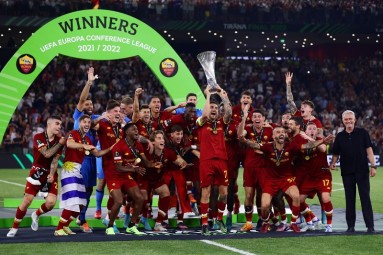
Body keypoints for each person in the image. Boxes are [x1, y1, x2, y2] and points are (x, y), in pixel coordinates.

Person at [7, 116, 66, 237]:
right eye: (57, 124)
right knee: (27, 200)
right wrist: (59, 144)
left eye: (60, 124)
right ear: (49, 124)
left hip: (50, 173)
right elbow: (47, 153)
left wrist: (51, 173)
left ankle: (36, 214)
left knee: (50, 203)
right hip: (37, 172)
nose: (60, 126)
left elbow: (55, 160)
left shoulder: (59, 140)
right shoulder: (38, 137)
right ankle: (14, 228)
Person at [54, 115, 113, 236]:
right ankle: (58, 228)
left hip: (78, 171)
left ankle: (65, 225)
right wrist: (83, 146)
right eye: (84, 122)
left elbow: (97, 153)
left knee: (81, 203)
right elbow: (69, 144)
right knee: (73, 201)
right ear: (79, 123)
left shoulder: (88, 139)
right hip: (69, 169)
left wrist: (110, 149)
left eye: (88, 122)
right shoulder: (73, 133)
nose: (87, 124)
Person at [330, 110, 377, 233]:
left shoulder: (363, 133)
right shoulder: (340, 136)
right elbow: (335, 153)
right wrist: (333, 163)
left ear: (355, 119)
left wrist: (373, 166)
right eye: (346, 119)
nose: (348, 121)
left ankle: (370, 226)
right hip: (347, 172)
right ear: (343, 121)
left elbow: (369, 150)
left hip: (362, 171)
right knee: (349, 199)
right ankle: (350, 226)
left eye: (350, 119)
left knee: (365, 198)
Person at [197, 85, 232, 235]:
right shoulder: (201, 122)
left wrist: (223, 95)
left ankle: (219, 219)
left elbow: (229, 113)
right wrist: (208, 96)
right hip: (206, 161)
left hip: (222, 161)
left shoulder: (221, 123)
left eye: (215, 108)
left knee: (223, 193)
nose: (213, 109)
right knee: (206, 192)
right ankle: (204, 222)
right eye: (211, 107)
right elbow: (204, 115)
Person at [72, 67, 100, 232]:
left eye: (91, 104)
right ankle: (77, 217)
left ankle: (80, 217)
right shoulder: (78, 117)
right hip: (80, 158)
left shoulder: (96, 119)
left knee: (89, 189)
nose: (89, 106)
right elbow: (82, 100)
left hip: (93, 159)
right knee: (80, 188)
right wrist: (89, 83)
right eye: (86, 104)